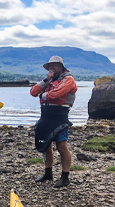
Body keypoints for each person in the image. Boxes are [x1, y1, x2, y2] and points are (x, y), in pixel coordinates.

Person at [31, 56, 77, 188]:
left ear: (61, 67)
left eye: (55, 65)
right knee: (46, 146)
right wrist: (46, 80)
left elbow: (56, 94)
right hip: (45, 116)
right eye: (50, 66)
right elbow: (33, 92)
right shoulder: (49, 80)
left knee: (62, 146)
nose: (52, 67)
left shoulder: (69, 79)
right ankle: (48, 173)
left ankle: (65, 177)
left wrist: (42, 95)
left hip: (59, 116)